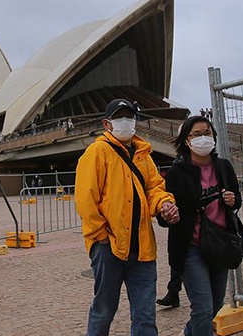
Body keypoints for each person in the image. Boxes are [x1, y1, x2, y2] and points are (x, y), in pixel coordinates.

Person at [75, 98, 179, 336]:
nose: (126, 122)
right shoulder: (97, 152)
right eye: (119, 117)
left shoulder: (143, 154)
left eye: (130, 117)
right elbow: (85, 197)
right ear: (106, 123)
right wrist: (99, 235)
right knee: (104, 309)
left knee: (145, 315)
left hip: (142, 248)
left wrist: (164, 203)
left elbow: (154, 187)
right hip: (108, 246)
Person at [158, 115, 243, 336]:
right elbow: (164, 217)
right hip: (192, 246)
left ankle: (189, 333)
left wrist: (233, 200)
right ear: (187, 140)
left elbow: (236, 198)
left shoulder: (224, 167)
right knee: (203, 308)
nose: (203, 138)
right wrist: (169, 214)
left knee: (215, 306)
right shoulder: (177, 173)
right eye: (197, 134)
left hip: (219, 242)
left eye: (207, 133)